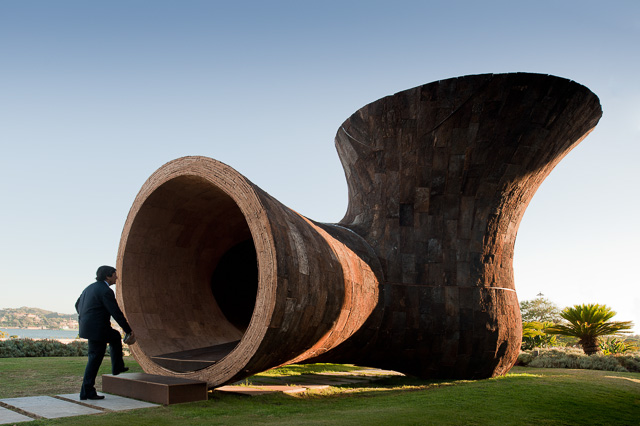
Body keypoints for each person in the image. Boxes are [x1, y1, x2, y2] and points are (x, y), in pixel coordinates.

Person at [75, 265, 134, 400]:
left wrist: (86, 316)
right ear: (108, 276)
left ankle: (87, 391)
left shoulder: (89, 288)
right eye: (115, 274)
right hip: (98, 329)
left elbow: (77, 304)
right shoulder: (106, 291)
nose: (117, 277)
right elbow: (116, 312)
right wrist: (128, 329)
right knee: (96, 358)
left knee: (98, 354)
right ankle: (116, 368)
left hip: (89, 328)